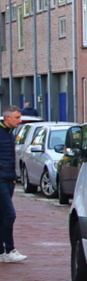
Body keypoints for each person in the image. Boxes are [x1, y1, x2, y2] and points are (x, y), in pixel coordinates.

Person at [0, 105, 25, 263]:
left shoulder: (10, 134)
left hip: (9, 178)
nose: (20, 120)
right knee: (9, 215)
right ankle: (10, 249)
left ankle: (2, 252)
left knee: (2, 216)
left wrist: (14, 176)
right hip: (1, 179)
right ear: (7, 117)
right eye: (16, 117)